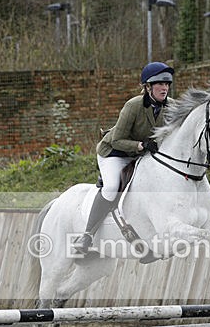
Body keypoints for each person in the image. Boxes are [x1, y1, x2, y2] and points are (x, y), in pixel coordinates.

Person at [73, 61, 175, 253]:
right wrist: (141, 145)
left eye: (167, 84)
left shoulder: (171, 106)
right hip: (114, 152)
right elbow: (118, 139)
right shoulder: (133, 106)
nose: (165, 88)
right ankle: (87, 235)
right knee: (112, 188)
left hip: (141, 155)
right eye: (160, 84)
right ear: (148, 87)